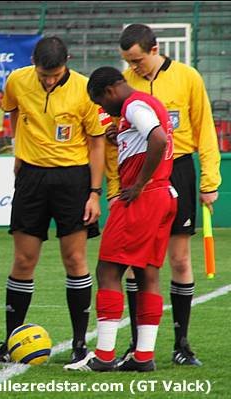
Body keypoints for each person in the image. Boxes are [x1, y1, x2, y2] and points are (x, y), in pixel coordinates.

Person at [0, 37, 108, 365]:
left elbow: (97, 142)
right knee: (24, 261)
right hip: (31, 178)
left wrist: (95, 192)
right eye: (44, 75)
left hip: (73, 180)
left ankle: (81, 343)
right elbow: (13, 114)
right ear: (33, 63)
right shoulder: (17, 81)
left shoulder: (85, 89)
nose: (49, 80)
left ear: (66, 62)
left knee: (74, 260)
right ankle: (11, 341)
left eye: (54, 75)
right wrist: (19, 151)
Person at [110, 24, 221, 366]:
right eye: (128, 61)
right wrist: (116, 188)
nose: (134, 67)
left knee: (180, 259)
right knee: (133, 262)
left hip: (179, 170)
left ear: (155, 49)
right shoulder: (125, 85)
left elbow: (204, 128)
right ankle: (135, 343)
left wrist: (209, 180)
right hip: (138, 176)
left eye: (138, 60)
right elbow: (114, 139)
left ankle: (181, 344)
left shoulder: (188, 77)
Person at [65, 66, 177, 372]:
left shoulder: (134, 105)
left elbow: (157, 139)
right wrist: (120, 136)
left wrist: (138, 185)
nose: (104, 109)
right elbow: (151, 137)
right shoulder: (145, 103)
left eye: (102, 102)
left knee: (108, 268)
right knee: (147, 274)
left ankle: (103, 356)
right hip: (166, 194)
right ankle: (144, 357)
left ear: (110, 91)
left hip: (145, 197)